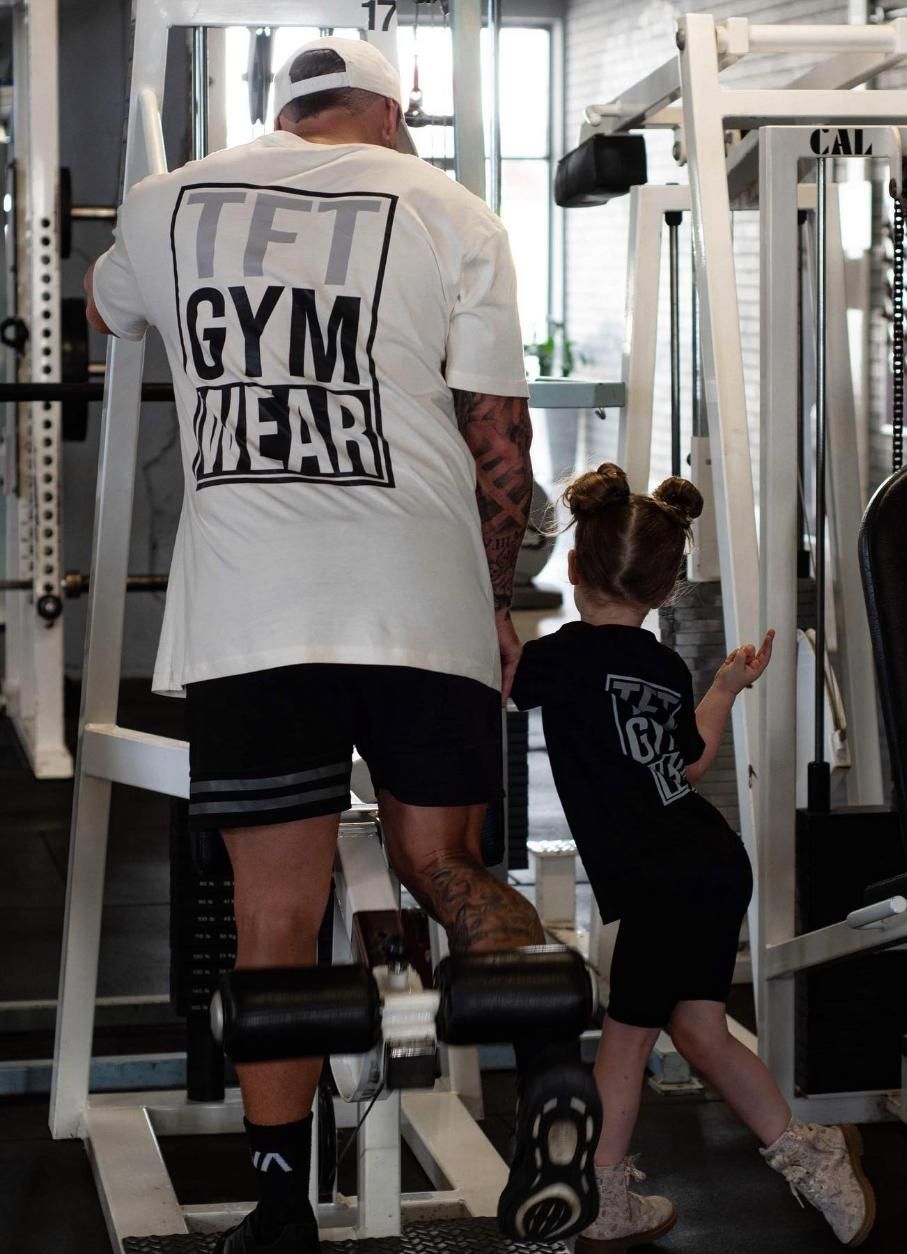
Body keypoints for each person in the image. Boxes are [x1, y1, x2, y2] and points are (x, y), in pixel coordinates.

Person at [84, 36, 600, 1254]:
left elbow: (109, 310)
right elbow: (498, 443)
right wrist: (490, 602)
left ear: (286, 108)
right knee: (442, 862)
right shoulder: (452, 209)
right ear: (388, 109)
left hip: (253, 611)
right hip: (417, 593)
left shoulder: (167, 202)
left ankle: (275, 1204)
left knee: (274, 907)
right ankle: (546, 1064)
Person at [511, 463, 877, 1252]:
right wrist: (725, 687)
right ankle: (809, 1152)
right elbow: (683, 765)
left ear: (572, 568)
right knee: (699, 1032)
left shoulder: (558, 660)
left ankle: (604, 1197)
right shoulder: (662, 667)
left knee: (627, 1038)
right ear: (666, 588)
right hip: (704, 862)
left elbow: (490, 663)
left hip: (661, 878)